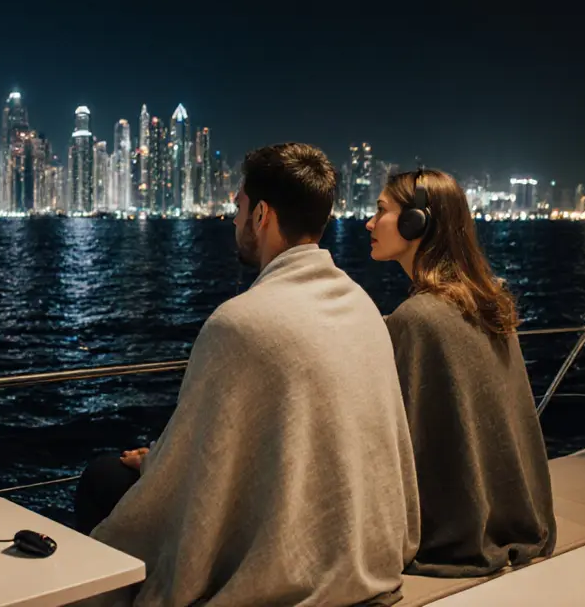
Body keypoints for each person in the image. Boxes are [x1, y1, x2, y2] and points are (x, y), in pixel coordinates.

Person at [74, 143, 419, 606]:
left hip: (293, 564)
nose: (234, 220)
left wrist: (158, 462)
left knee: (102, 479)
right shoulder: (362, 306)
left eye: (238, 207)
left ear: (262, 215)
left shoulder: (238, 323)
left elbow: (199, 472)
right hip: (362, 551)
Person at [365, 168, 556, 577]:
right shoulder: (488, 302)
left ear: (416, 222)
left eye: (380, 210)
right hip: (517, 517)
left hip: (452, 534)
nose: (369, 222)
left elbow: (394, 442)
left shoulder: (416, 319)